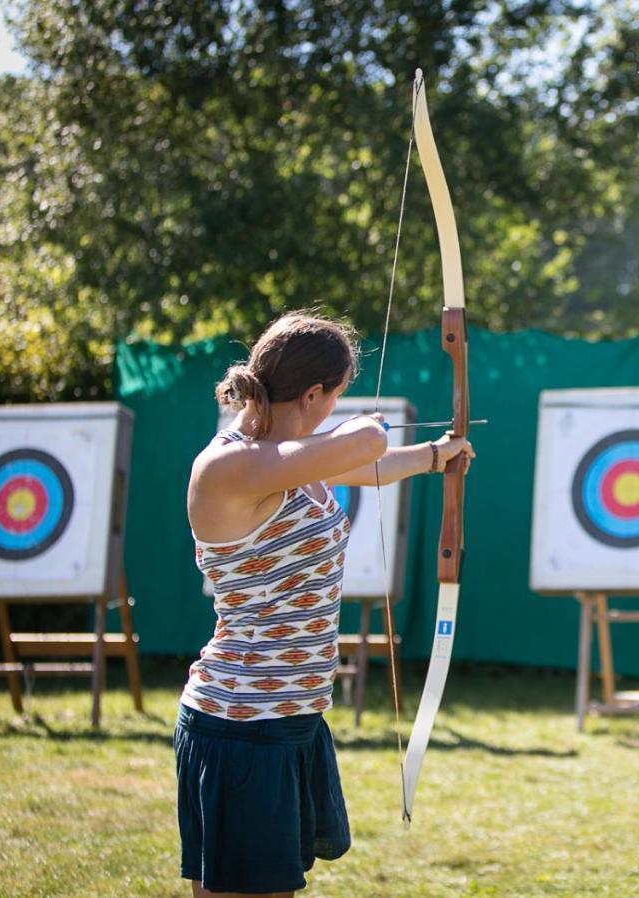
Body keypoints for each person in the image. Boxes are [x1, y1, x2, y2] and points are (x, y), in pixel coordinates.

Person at [174, 311, 474, 897]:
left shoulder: (291, 455)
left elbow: (372, 465)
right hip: (240, 723)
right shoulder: (228, 465)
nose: (337, 408)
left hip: (290, 718)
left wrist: (439, 455)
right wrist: (369, 429)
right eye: (336, 395)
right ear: (313, 393)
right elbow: (364, 443)